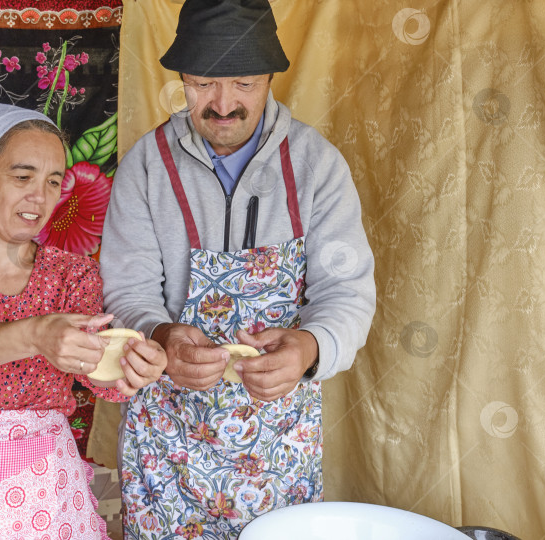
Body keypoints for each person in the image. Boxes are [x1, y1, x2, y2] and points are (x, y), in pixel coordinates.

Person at [99, 0, 377, 537]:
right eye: (204, 84)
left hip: (278, 441)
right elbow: (128, 287)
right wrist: (162, 335)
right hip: (167, 444)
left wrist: (310, 347)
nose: (223, 105)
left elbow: (347, 292)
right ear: (183, 77)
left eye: (244, 84)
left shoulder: (318, 167)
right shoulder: (146, 166)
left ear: (271, 76)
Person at [0, 102, 167, 539]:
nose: (39, 197)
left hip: (48, 496)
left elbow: (97, 371)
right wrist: (39, 334)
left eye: (52, 181)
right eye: (23, 177)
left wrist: (130, 363)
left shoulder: (72, 274)